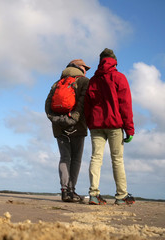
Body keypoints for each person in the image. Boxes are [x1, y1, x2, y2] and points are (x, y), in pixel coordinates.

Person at [84, 48, 135, 205]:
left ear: (100, 61)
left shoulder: (93, 80)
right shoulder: (119, 77)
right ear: (114, 61)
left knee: (96, 158)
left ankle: (93, 194)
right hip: (114, 125)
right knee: (117, 159)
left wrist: (90, 123)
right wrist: (130, 129)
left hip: (96, 126)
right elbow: (125, 104)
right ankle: (121, 195)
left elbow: (87, 105)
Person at [45, 59, 90, 202]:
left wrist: (56, 119)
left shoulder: (57, 83)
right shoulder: (84, 81)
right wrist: (73, 119)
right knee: (76, 159)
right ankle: (71, 191)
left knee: (64, 157)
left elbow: (47, 106)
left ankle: (64, 191)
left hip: (59, 126)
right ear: (78, 67)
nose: (86, 70)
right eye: (85, 67)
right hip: (78, 125)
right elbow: (83, 104)